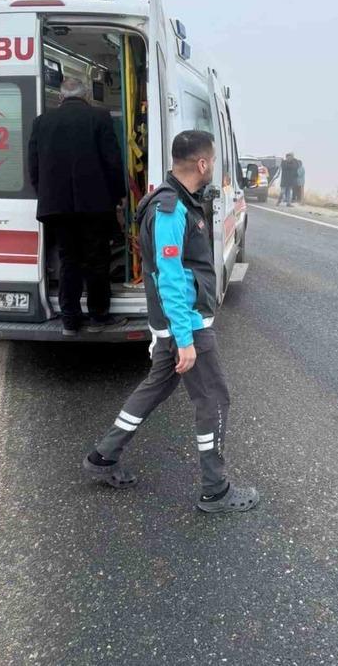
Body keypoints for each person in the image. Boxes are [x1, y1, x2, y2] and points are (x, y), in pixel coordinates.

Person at [83, 130, 259, 514]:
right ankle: (216, 489)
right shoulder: (171, 208)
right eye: (212, 161)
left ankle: (104, 456)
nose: (213, 167)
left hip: (174, 324)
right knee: (213, 399)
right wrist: (184, 338)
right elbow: (170, 276)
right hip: (188, 324)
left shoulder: (175, 199)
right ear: (202, 163)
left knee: (155, 388)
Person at [28, 77, 127, 336]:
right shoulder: (99, 117)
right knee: (96, 260)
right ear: (86, 97)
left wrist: (45, 195)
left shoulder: (42, 122)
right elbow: (112, 161)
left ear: (61, 98)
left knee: (68, 259)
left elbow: (34, 167)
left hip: (56, 206)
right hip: (94, 205)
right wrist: (119, 196)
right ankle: (98, 316)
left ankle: (70, 320)